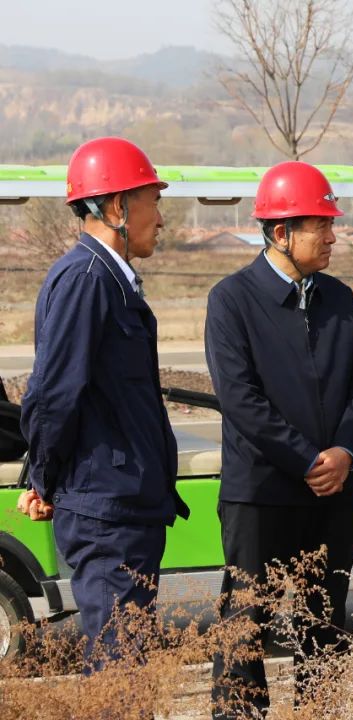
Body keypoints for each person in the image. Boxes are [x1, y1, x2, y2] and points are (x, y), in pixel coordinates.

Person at [205, 161, 353, 718]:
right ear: (281, 233)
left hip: (333, 494)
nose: (332, 236)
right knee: (245, 625)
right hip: (261, 493)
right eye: (320, 226)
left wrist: (345, 454)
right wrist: (306, 460)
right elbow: (241, 399)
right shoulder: (231, 300)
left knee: (326, 621)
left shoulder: (338, 297)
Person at [17, 137, 189, 668]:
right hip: (106, 512)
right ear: (116, 207)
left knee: (129, 666)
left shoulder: (109, 279)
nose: (159, 219)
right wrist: (43, 476)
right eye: (151, 202)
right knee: (120, 670)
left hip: (124, 506)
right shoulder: (87, 279)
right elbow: (52, 393)